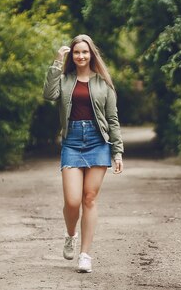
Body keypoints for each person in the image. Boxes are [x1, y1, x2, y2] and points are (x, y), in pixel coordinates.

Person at [43, 34, 124, 273]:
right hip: (72, 141)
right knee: (72, 200)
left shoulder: (103, 83)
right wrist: (57, 62)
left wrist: (117, 152)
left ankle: (85, 255)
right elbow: (49, 95)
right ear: (72, 56)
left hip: (98, 142)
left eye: (85, 52)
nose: (80, 56)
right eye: (76, 52)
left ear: (91, 55)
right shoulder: (65, 80)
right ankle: (70, 235)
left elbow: (112, 119)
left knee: (89, 198)